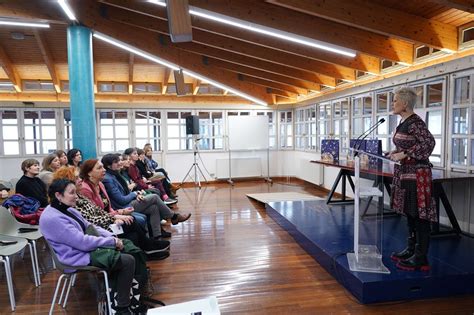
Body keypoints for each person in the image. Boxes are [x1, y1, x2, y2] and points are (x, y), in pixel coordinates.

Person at [39, 179, 137, 314]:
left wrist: (111, 238)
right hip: (75, 256)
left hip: (82, 249)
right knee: (127, 261)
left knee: (131, 248)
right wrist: (112, 242)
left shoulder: (66, 208)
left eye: (76, 192)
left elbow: (89, 226)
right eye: (72, 193)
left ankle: (129, 297)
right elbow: (82, 243)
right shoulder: (52, 217)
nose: (76, 196)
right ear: (58, 195)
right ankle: (122, 308)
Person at [53, 166, 170, 259]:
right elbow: (90, 221)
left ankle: (145, 251)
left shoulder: (81, 194)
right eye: (77, 178)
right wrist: (115, 217)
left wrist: (117, 215)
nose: (80, 180)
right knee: (138, 215)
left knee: (136, 221)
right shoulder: (75, 198)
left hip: (106, 221)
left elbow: (98, 211)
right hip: (98, 231)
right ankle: (147, 248)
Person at [388, 86, 436, 271]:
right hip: (406, 172)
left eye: (395, 100)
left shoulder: (415, 122)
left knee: (419, 214)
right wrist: (397, 151)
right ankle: (411, 250)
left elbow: (429, 143)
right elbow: (409, 143)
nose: (393, 103)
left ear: (405, 103)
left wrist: (405, 153)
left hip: (418, 174)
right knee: (410, 212)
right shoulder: (403, 122)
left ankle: (421, 256)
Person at [101, 154, 191, 239]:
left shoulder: (115, 175)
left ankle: (157, 236)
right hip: (123, 207)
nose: (120, 163)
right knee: (154, 196)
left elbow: (126, 192)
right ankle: (173, 217)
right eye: (116, 162)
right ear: (109, 166)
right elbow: (121, 200)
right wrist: (134, 194)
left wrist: (136, 195)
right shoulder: (108, 179)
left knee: (154, 208)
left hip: (129, 202)